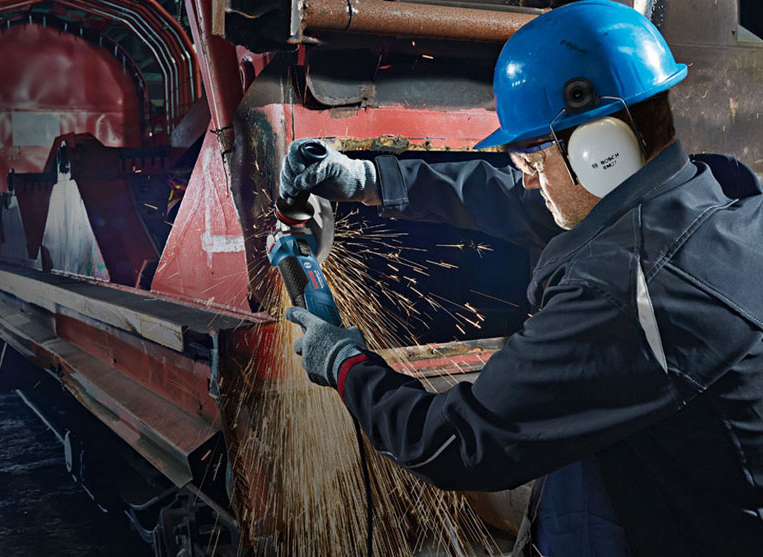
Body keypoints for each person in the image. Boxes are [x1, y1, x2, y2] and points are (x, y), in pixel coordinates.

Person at [279, 1, 763, 555]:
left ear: (600, 151)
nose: (528, 180)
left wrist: (343, 363)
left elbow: (458, 444)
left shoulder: (627, 295)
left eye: (533, 155)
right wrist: (370, 178)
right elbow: (526, 202)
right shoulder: (715, 196)